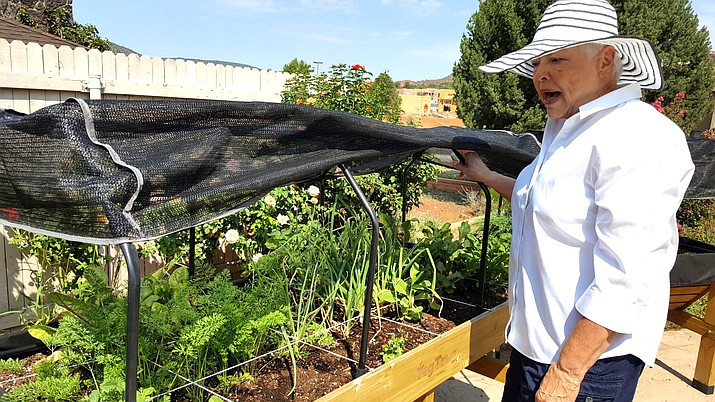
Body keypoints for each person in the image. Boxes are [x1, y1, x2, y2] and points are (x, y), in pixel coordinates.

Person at [452, 1, 695, 401]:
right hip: (536, 350)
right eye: (536, 63)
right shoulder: (566, 130)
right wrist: (486, 174)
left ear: (606, 60)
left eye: (557, 60)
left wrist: (566, 375)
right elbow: (547, 203)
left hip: (586, 368)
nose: (540, 74)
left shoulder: (637, 136)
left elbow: (626, 275)